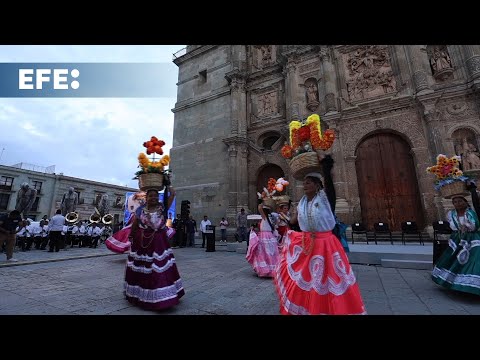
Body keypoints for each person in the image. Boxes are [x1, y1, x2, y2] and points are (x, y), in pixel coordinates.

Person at [273, 152, 366, 315]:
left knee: (329, 281)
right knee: (308, 280)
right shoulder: (301, 203)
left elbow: (330, 185)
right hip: (307, 245)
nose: (305, 185)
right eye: (304, 183)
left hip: (326, 246)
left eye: (308, 183)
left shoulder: (325, 199)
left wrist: (326, 166)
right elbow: (295, 225)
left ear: (317, 185)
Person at [124, 187, 184, 310]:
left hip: (159, 242)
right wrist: (132, 235)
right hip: (143, 241)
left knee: (159, 267)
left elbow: (172, 194)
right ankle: (143, 295)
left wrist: (167, 181)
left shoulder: (162, 207)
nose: (154, 198)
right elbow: (135, 223)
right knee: (143, 268)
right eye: (151, 196)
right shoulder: (140, 209)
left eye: (156, 196)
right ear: (147, 197)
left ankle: (163, 298)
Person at [432, 195, 480, 296]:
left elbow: (475, 225)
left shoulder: (470, 213)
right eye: (455, 202)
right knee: (453, 259)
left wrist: (467, 226)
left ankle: (470, 284)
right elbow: (452, 226)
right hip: (457, 239)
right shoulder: (452, 214)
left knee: (474, 258)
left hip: (471, 238)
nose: (458, 204)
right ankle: (453, 282)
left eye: (460, 201)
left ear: (466, 202)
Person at [246, 200, 281, 278]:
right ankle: (272, 269)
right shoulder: (271, 218)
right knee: (271, 254)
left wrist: (261, 201)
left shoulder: (265, 217)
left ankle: (266, 270)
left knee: (263, 253)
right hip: (270, 237)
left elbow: (259, 208)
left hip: (265, 236)